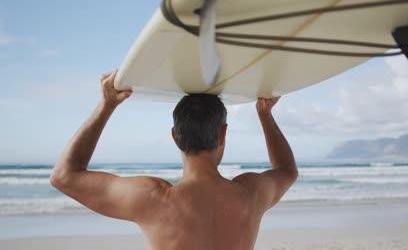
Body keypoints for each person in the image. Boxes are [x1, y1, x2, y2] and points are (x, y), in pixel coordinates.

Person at [50, 70, 298, 250]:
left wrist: (106, 105)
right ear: (223, 134)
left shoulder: (152, 200)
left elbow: (64, 176)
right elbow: (287, 170)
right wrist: (265, 115)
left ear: (175, 136)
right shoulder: (251, 194)